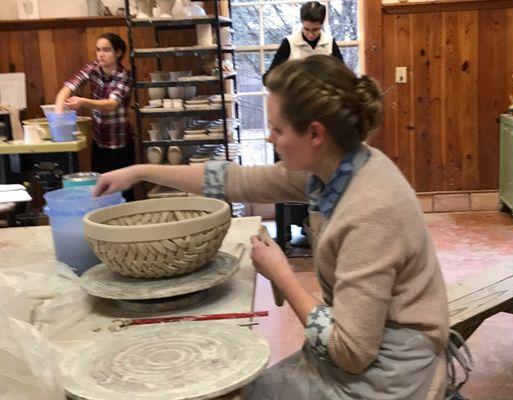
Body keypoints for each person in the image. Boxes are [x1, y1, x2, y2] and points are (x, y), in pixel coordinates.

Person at [93, 55, 449, 399]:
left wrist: (281, 273)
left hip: (394, 366)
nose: (269, 138)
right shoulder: (337, 167)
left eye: (277, 129)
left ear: (315, 133)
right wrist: (140, 172)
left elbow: (352, 352)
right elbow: (234, 180)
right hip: (368, 341)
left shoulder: (370, 210)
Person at [55, 32, 134, 201]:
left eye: (106, 50)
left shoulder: (124, 75)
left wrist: (83, 101)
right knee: (99, 191)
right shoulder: (93, 68)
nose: (100, 54)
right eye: (98, 50)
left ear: (118, 53)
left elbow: (111, 104)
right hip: (99, 140)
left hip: (120, 143)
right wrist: (58, 111)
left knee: (122, 194)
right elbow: (69, 87)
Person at [263, 1, 343, 84]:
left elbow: (342, 75)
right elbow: (267, 78)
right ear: (301, 22)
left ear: (321, 25)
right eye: (306, 29)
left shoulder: (329, 42)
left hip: (323, 94)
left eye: (315, 30)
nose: (310, 35)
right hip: (296, 94)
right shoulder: (289, 42)